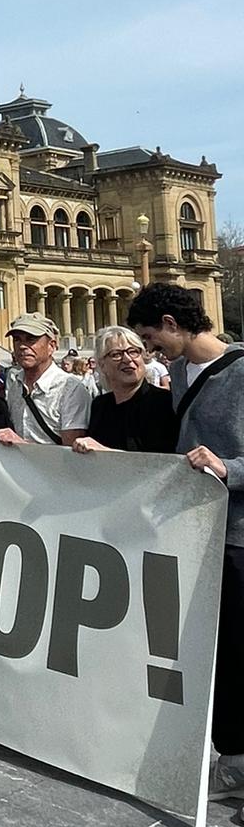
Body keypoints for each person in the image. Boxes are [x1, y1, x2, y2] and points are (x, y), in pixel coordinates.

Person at [127, 283, 244, 800]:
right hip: (197, 532)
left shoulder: (241, 371)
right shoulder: (175, 376)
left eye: (152, 337)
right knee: (218, 650)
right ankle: (234, 756)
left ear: (174, 324)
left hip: (239, 533)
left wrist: (228, 467)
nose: (150, 350)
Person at [71, 326, 177, 455]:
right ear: (102, 365)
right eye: (116, 354)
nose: (127, 359)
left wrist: (104, 453)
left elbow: (161, 462)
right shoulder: (100, 405)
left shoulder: (163, 402)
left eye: (133, 352)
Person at [0, 314, 90, 448]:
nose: (22, 346)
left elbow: (71, 454)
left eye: (31, 339)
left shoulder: (70, 389)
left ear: (51, 346)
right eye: (17, 339)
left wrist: (20, 445)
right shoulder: (15, 385)